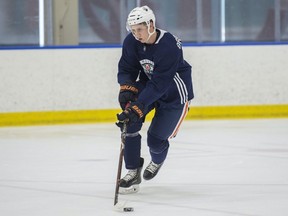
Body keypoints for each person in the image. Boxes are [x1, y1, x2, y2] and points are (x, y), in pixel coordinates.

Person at [116, 5, 194, 194]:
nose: (136, 35)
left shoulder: (169, 45)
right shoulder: (131, 42)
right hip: (149, 86)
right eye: (133, 30)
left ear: (151, 24)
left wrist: (138, 105)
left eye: (140, 29)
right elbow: (127, 68)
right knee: (130, 124)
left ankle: (157, 161)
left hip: (174, 94)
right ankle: (133, 170)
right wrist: (126, 88)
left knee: (155, 141)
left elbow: (160, 83)